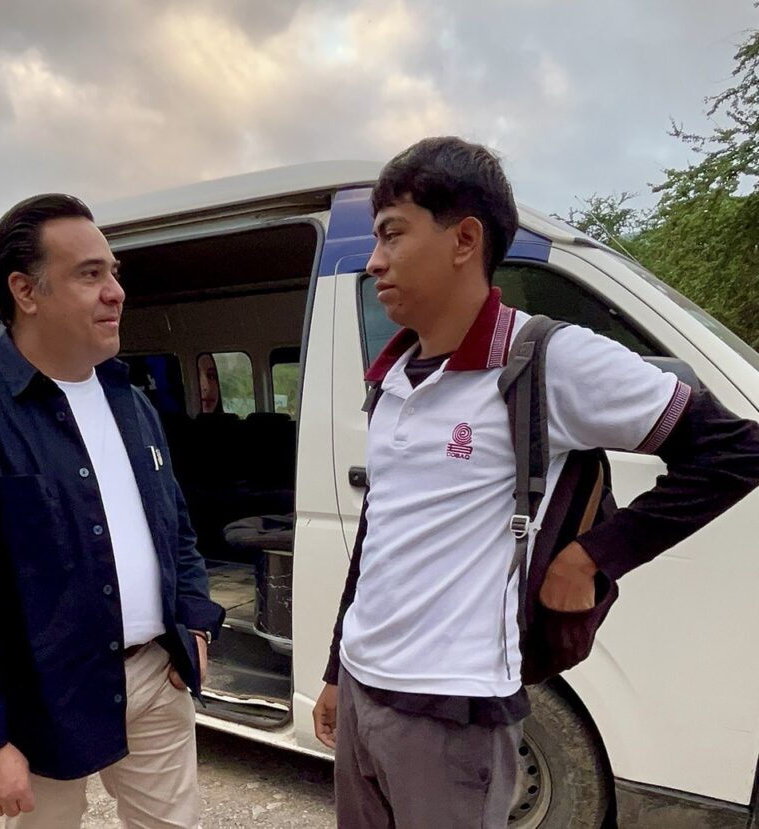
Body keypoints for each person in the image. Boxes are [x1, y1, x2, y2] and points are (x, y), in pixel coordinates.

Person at [311, 137, 759, 828]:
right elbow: (379, 534)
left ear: (465, 239)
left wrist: (591, 557)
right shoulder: (394, 376)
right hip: (364, 688)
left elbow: (735, 451)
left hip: (451, 713)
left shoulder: (549, 358)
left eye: (392, 234)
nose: (374, 261)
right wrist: (336, 670)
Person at [0, 193, 224, 828]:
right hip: (39, 700)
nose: (115, 292)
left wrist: (195, 621)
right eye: (89, 274)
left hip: (155, 677)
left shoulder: (132, 404)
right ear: (25, 291)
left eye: (114, 273)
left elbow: (175, 529)